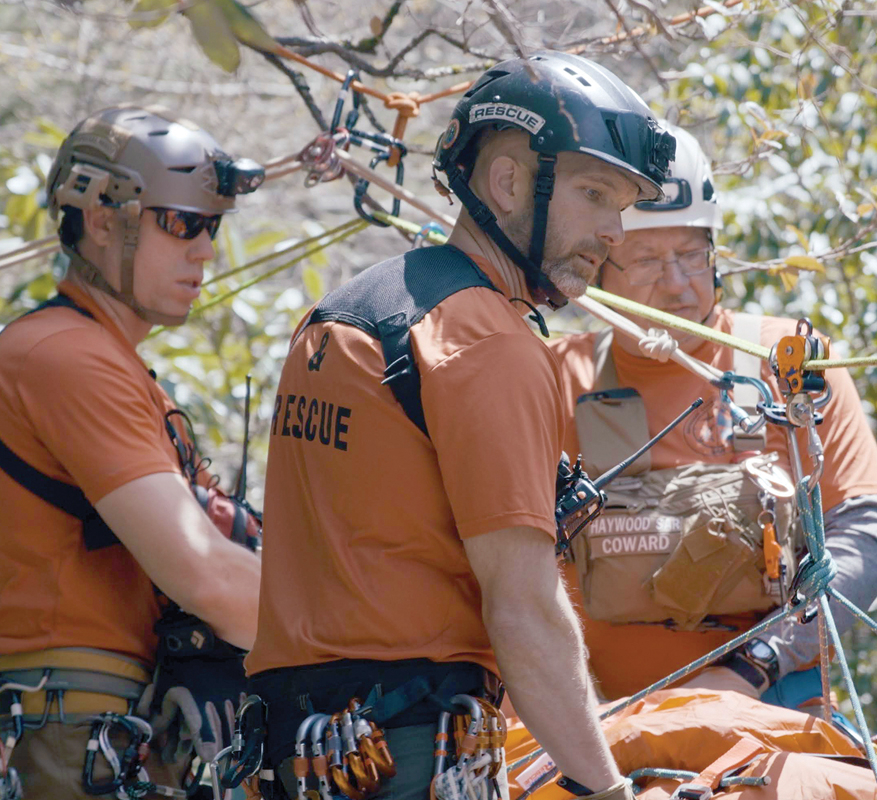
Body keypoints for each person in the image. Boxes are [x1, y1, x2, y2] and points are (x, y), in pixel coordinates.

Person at [246, 53, 676, 800]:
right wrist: (607, 790)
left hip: (299, 750)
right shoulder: (489, 343)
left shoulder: (339, 317)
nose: (614, 232)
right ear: (509, 182)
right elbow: (524, 607)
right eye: (595, 193)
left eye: (624, 204)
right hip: (407, 747)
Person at [0, 106, 265, 800]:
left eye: (212, 226)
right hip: (73, 734)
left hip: (109, 732)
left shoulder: (114, 367)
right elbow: (202, 575)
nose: (204, 249)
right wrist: (357, 633)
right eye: (182, 223)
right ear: (103, 220)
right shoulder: (65, 357)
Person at [544, 123, 877, 714]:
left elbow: (868, 537)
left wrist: (753, 666)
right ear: (599, 274)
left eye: (691, 254)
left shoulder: (787, 363)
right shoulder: (555, 378)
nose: (680, 284)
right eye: (649, 262)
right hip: (599, 718)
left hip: (775, 705)